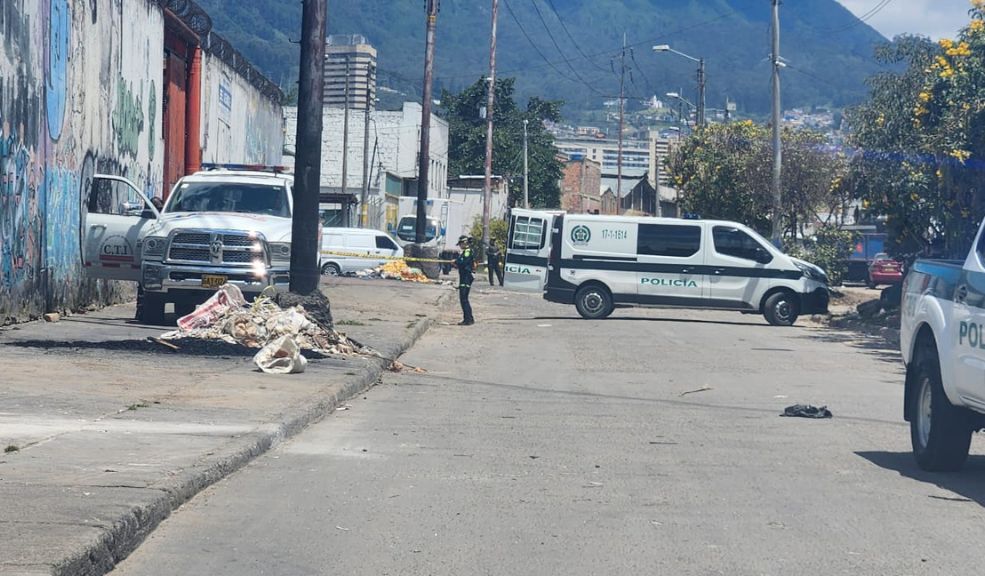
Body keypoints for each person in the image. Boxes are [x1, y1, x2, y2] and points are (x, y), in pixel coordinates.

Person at [454, 235, 475, 325]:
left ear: (464, 243)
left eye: (460, 244)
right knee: (464, 299)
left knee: (464, 299)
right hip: (464, 276)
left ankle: (468, 320)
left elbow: (464, 262)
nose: (459, 246)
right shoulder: (466, 251)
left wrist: (456, 262)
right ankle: (469, 318)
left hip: (466, 277)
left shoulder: (467, 251)